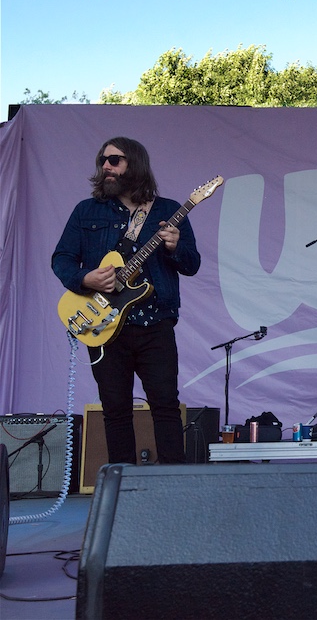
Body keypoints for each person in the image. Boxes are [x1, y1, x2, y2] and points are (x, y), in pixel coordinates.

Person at [52, 137, 201, 463]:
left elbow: (192, 265)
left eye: (114, 160)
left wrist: (175, 247)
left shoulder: (167, 211)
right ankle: (123, 487)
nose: (106, 166)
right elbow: (61, 259)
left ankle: (175, 485)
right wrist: (85, 278)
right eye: (103, 160)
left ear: (134, 164)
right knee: (115, 408)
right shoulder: (87, 211)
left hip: (155, 322)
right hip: (104, 323)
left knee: (165, 405)